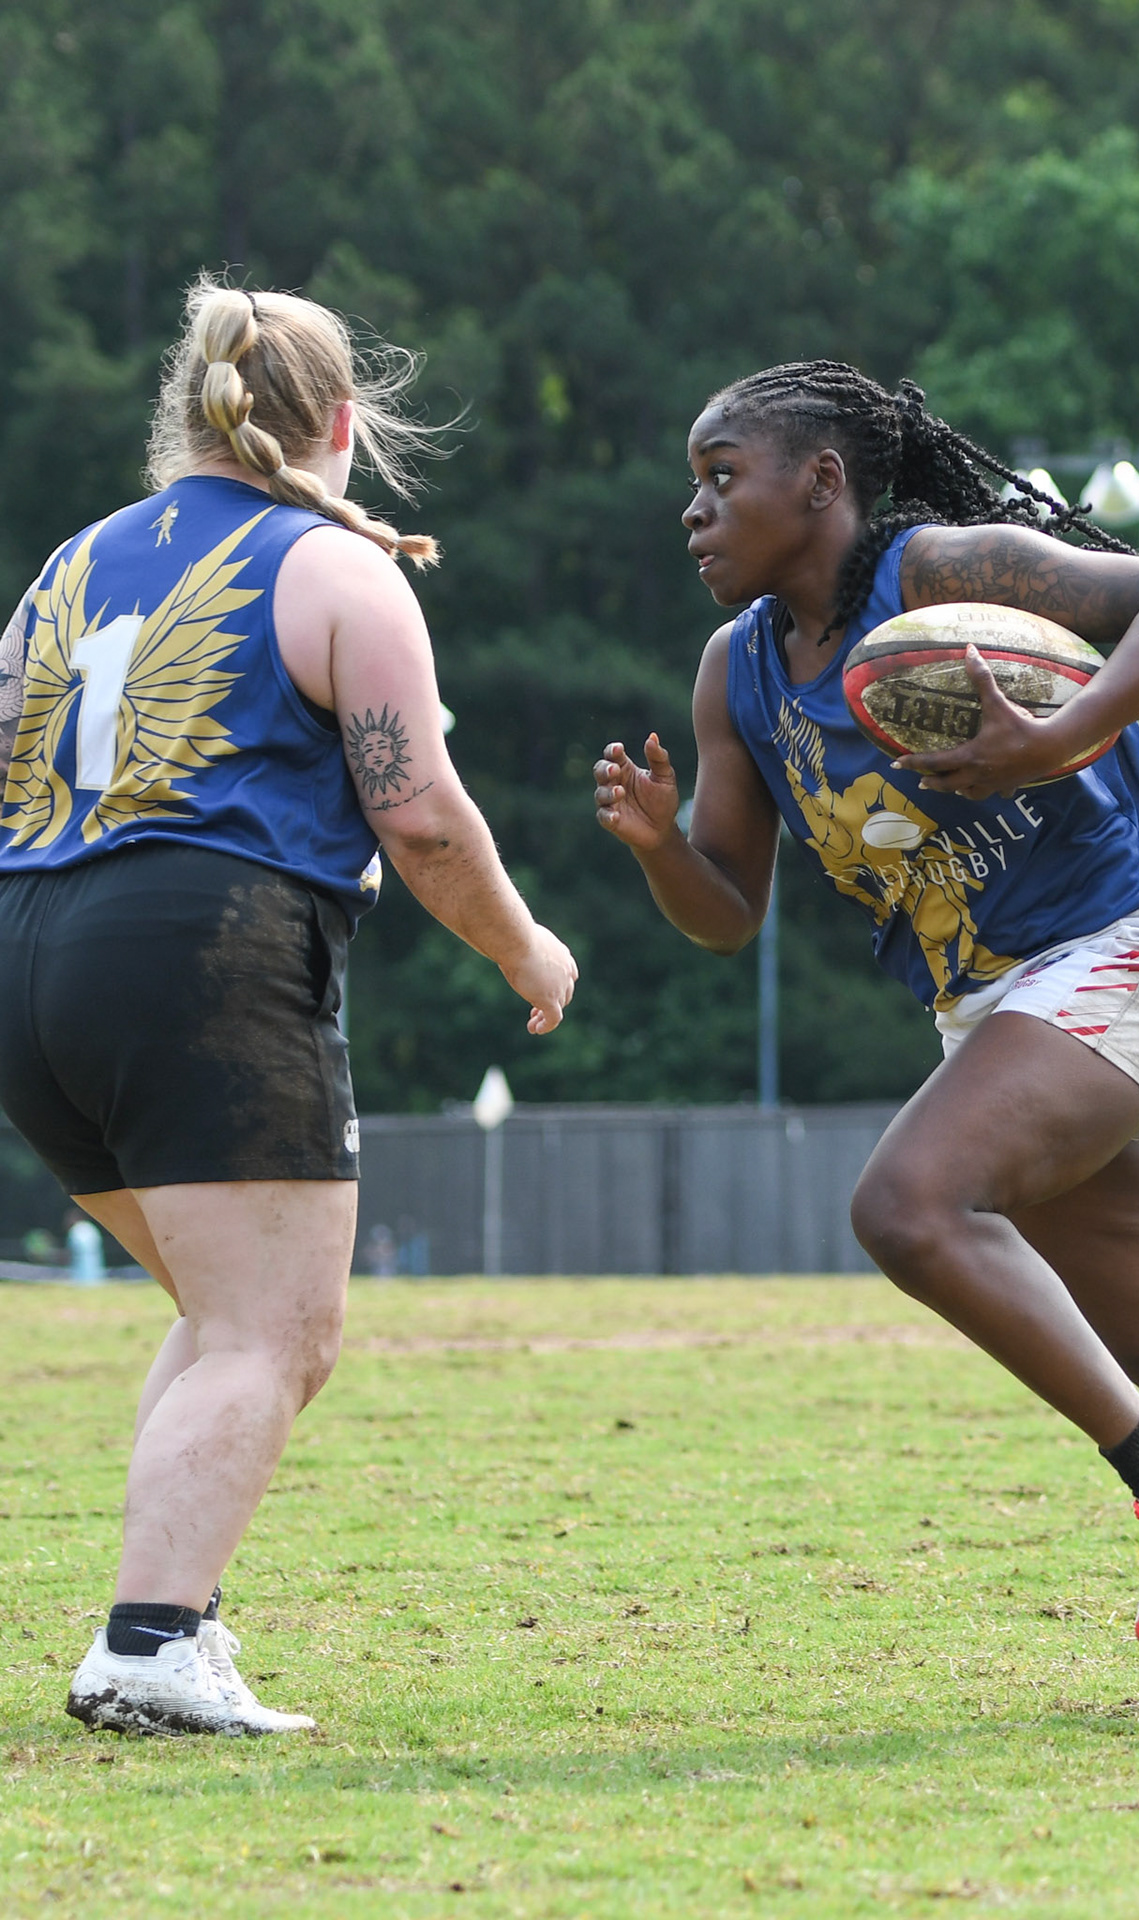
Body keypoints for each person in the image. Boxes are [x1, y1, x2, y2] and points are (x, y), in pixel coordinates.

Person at [592, 361, 1139, 1701]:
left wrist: (1061, 734)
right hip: (997, 1003)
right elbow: (726, 913)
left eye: (724, 479)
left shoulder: (943, 570)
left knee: (906, 1205)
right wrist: (663, 850)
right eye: (694, 485)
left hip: (1127, 945)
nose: (694, 511)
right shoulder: (738, 673)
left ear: (822, 482)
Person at [0, 278, 577, 1736]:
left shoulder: (69, 565)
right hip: (201, 949)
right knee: (276, 1331)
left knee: (224, 1314)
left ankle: (173, 1621)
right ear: (340, 423)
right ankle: (145, 1648)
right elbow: (419, 816)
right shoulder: (333, 569)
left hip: (26, 952)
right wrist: (524, 949)